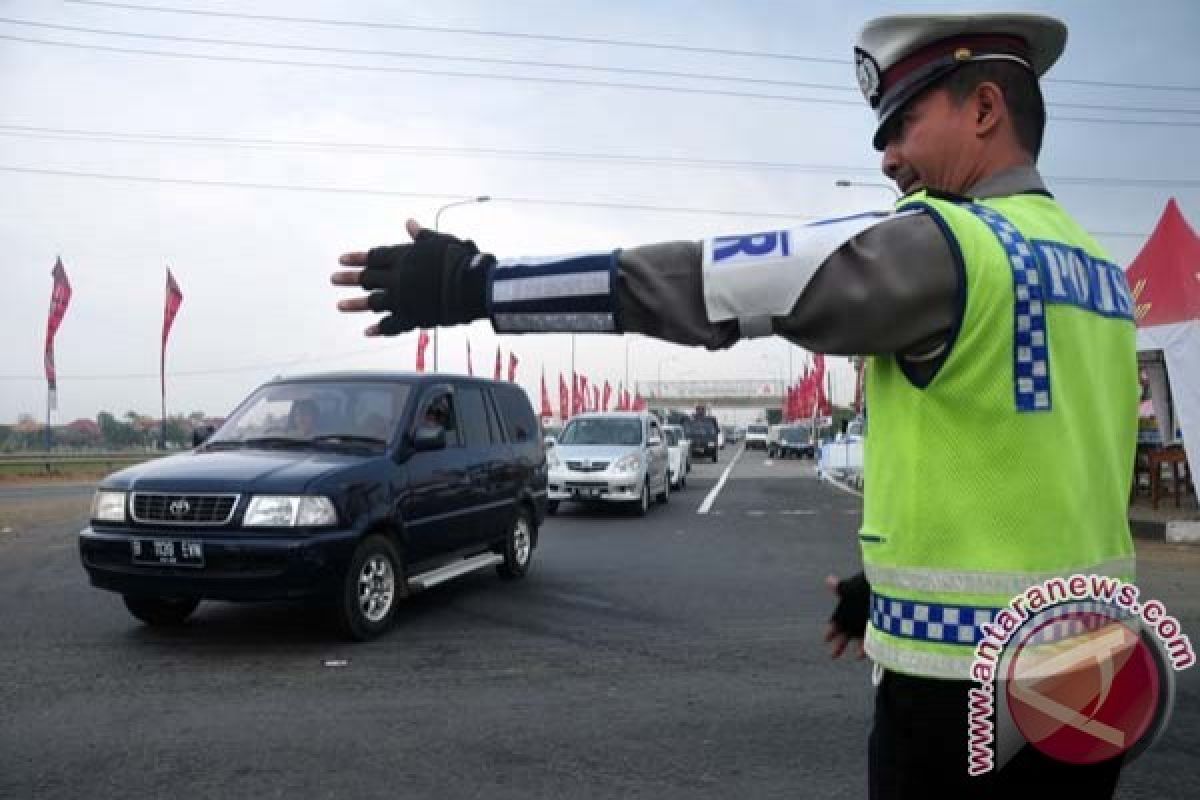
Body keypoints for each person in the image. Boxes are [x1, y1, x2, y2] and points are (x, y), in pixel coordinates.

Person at [332, 12, 1137, 797]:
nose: (890, 159)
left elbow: (710, 282)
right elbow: (1035, 461)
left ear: (986, 109)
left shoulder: (951, 245)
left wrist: (481, 285)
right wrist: (888, 588)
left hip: (966, 690)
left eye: (903, 125)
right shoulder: (1098, 273)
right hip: (1097, 674)